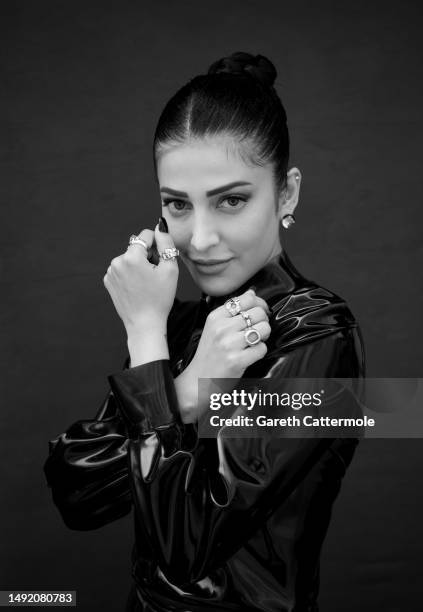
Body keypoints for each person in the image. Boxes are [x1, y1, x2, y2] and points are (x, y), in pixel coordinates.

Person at [43, 51, 366, 612]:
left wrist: (146, 336)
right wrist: (187, 389)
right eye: (177, 205)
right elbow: (77, 493)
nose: (200, 240)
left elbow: (185, 545)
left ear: (286, 193)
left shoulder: (319, 333)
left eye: (232, 200)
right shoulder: (183, 322)